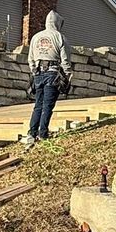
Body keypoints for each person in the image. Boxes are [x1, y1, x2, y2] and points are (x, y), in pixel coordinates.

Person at [23, 10, 73, 145]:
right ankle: (43, 134)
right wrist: (67, 75)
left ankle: (32, 133)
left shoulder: (36, 37)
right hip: (53, 74)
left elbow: (30, 58)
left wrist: (34, 71)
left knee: (38, 105)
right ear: (58, 23)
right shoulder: (60, 37)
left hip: (38, 74)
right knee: (47, 106)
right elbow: (65, 60)